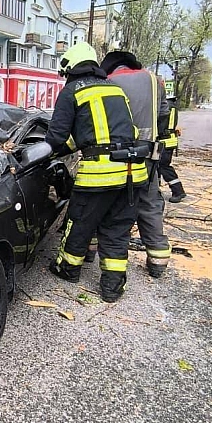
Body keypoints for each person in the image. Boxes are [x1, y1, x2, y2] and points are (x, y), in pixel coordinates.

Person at [45, 42, 148, 303]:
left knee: (80, 221)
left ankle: (68, 269)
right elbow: (100, 133)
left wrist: (44, 151)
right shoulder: (115, 89)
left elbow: (57, 138)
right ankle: (112, 288)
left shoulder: (71, 92)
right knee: (116, 229)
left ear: (70, 68)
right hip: (132, 171)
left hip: (99, 174)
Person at [100, 50, 172, 278]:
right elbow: (164, 114)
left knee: (108, 205)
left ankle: (99, 257)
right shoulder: (154, 79)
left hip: (116, 156)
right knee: (149, 203)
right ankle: (158, 261)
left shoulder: (108, 82)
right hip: (148, 154)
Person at [159, 94, 186, 203]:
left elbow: (160, 124)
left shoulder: (166, 105)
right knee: (157, 166)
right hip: (167, 140)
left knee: (163, 167)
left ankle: (178, 191)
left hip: (165, 141)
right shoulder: (171, 105)